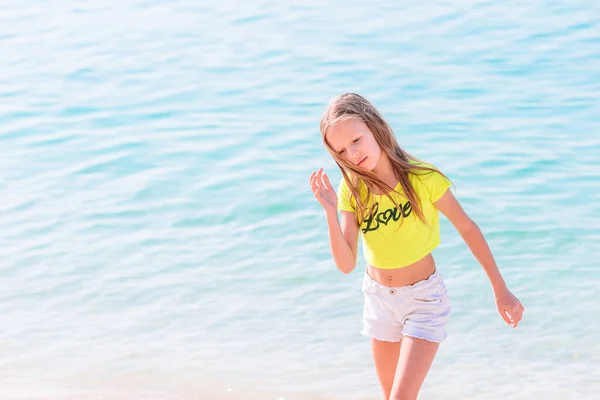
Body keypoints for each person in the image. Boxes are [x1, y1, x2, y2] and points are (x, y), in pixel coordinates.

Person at [309, 93, 524, 400]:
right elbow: (346, 264)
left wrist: (500, 289)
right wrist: (330, 212)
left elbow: (468, 228)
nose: (353, 153)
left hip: (424, 300)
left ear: (376, 128)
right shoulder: (351, 191)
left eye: (356, 139)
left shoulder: (422, 178)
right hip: (379, 301)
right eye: (342, 150)